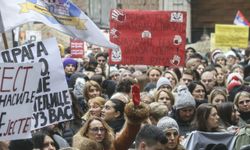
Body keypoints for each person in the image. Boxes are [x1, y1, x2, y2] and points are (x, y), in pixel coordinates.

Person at [73, 101, 150, 150]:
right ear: (86, 132)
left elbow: (127, 138)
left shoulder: (110, 146)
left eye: (102, 129)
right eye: (95, 129)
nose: (99, 133)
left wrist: (134, 120)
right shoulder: (78, 148)